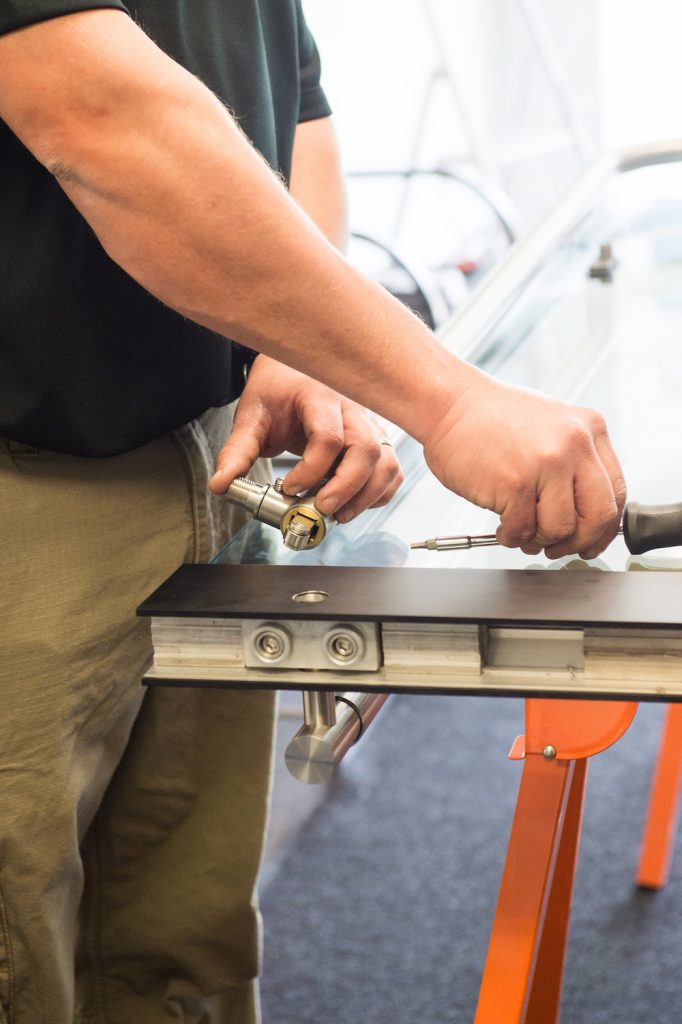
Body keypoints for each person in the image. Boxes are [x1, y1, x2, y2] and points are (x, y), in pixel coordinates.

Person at [0, 3, 626, 1023]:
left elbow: (292, 108)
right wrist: (451, 399)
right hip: (29, 492)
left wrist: (293, 344)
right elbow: (99, 114)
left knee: (179, 956)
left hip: (207, 462)